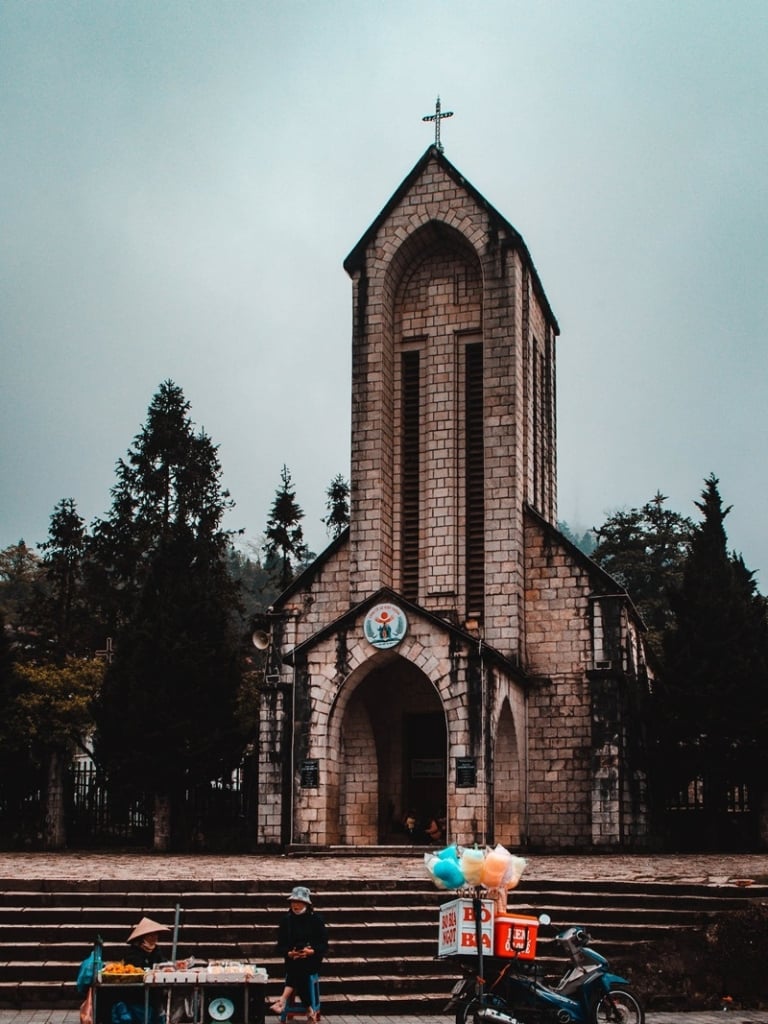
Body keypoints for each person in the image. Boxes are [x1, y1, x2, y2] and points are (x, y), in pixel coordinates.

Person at [270, 886, 328, 1023]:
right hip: (293, 959)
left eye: (299, 902)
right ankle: (309, 1010)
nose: (295, 905)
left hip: (312, 959)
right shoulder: (286, 921)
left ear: (306, 904)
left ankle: (282, 1000)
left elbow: (324, 944)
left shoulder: (316, 920)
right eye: (293, 902)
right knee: (298, 969)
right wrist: (289, 953)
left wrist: (311, 951)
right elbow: (280, 946)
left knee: (298, 970)